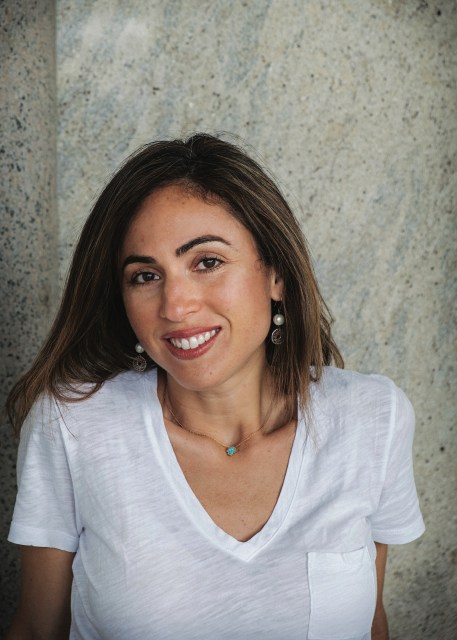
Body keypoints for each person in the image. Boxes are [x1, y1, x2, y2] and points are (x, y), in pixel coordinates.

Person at [6, 133, 424, 640]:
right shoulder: (73, 425)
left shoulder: (373, 420)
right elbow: (35, 630)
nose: (175, 306)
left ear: (276, 275)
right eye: (144, 276)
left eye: (206, 261)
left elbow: (370, 624)